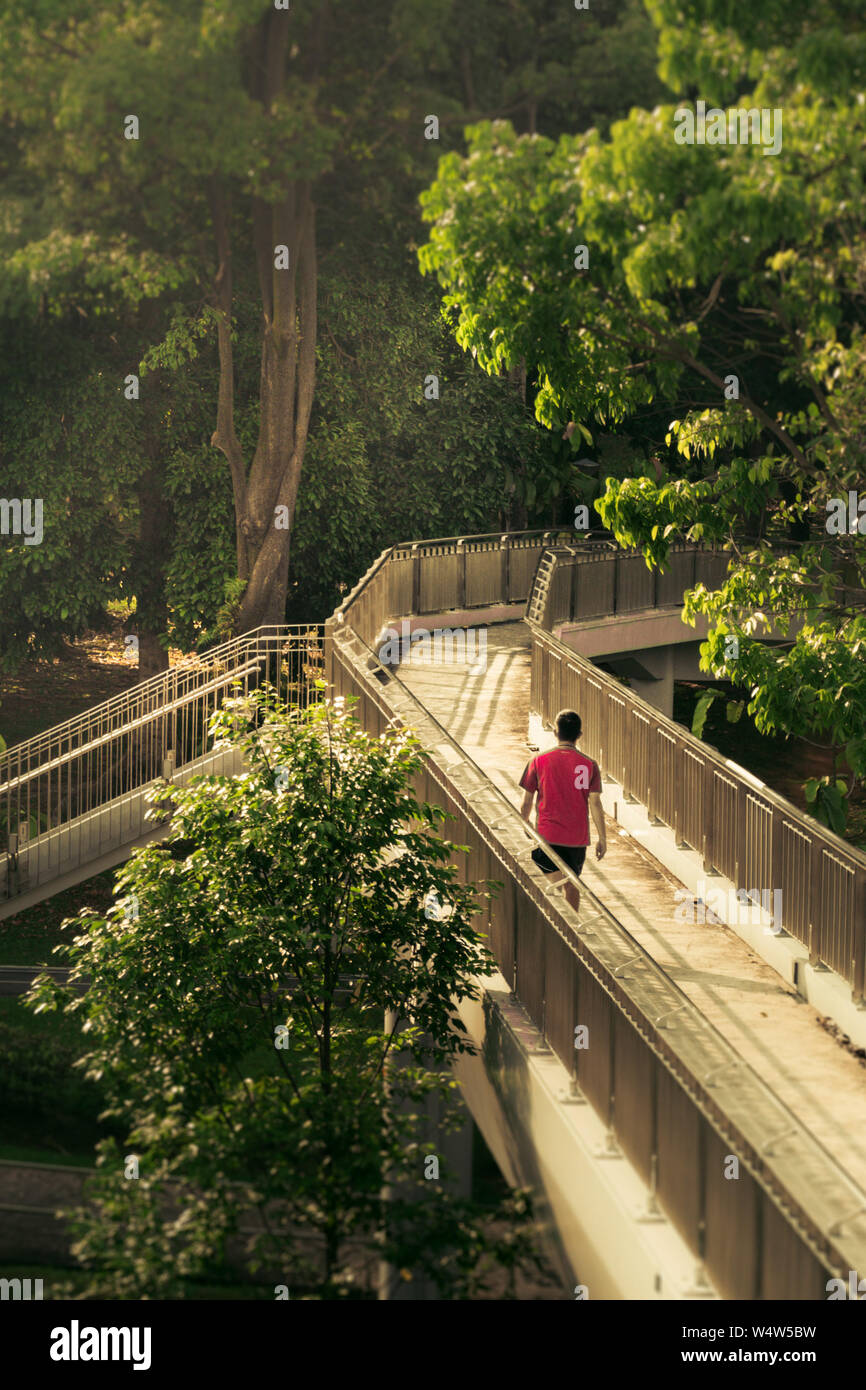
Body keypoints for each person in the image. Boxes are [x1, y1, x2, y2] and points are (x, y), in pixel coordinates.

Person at [518, 708, 606, 912]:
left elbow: (527, 800)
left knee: (551, 884)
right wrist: (602, 838)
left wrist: (526, 824)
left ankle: (555, 923)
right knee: (572, 883)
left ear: (555, 732)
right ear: (579, 735)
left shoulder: (538, 761)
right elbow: (595, 803)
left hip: (548, 835)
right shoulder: (589, 765)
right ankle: (573, 928)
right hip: (577, 838)